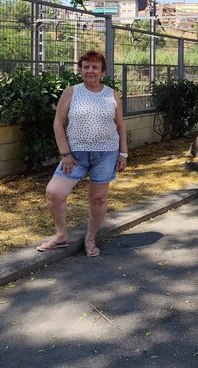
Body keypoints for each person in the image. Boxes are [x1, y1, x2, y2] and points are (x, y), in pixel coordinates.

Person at [37, 50, 128, 257]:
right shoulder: (71, 92)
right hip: (75, 156)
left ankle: (90, 239)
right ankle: (61, 236)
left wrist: (123, 154)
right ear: (80, 70)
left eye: (95, 67)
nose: (90, 71)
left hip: (106, 154)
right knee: (54, 192)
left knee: (98, 198)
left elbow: (120, 126)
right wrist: (65, 154)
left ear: (103, 71)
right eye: (86, 66)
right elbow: (58, 123)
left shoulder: (112, 94)